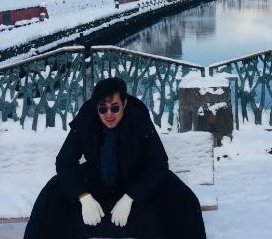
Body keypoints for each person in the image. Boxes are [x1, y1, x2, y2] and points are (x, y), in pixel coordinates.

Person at [24, 77, 207, 239]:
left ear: (125, 104)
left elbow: (158, 163)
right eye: (102, 109)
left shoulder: (137, 117)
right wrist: (83, 196)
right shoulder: (87, 117)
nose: (109, 114)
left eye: (115, 107)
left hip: (135, 176)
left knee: (183, 199)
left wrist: (130, 197)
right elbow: (65, 162)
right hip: (97, 177)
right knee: (52, 194)